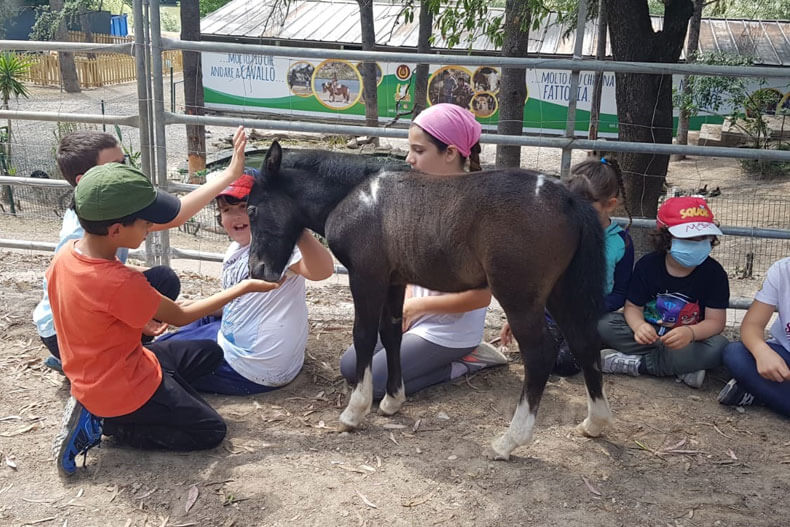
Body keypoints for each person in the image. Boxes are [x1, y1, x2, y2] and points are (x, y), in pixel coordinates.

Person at [49, 162, 281, 477]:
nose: (151, 229)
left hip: (120, 363)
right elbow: (182, 315)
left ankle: (130, 399)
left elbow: (95, 308)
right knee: (211, 431)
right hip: (122, 388)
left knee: (211, 353)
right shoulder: (120, 282)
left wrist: (138, 319)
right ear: (116, 230)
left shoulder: (68, 254)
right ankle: (112, 424)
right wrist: (245, 287)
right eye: (146, 223)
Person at [33, 127, 249, 373]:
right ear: (85, 180)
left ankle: (126, 350)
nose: (126, 171)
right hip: (65, 333)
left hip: (87, 313)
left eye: (124, 162)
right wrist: (230, 174)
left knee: (162, 279)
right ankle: (104, 363)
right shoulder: (82, 230)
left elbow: (100, 273)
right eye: (115, 165)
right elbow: (74, 291)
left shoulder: (105, 214)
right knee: (197, 351)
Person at [339, 103, 507, 399]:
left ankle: (467, 361)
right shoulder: (415, 199)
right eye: (410, 150)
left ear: (451, 153)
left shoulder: (475, 213)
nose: (409, 159)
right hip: (412, 316)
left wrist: (417, 308)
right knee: (350, 367)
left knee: (378, 385)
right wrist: (398, 310)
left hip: (448, 333)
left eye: (419, 150)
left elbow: (482, 295)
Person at [156, 169, 335, 395]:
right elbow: (233, 303)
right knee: (194, 321)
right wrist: (188, 308)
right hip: (241, 344)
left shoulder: (277, 247)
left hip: (251, 369)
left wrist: (296, 227)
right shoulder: (237, 249)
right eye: (227, 210)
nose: (237, 216)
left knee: (157, 360)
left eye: (245, 208)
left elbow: (322, 271)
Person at [499, 157, 635, 376]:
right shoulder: (557, 235)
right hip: (553, 314)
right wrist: (520, 317)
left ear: (610, 204)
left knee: (564, 365)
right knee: (536, 358)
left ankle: (598, 348)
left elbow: (620, 292)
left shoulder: (622, 243)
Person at [597, 196, 730, 388]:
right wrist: (639, 326)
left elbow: (716, 322)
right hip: (649, 336)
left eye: (703, 238)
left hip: (688, 341)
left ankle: (638, 364)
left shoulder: (714, 273)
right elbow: (633, 307)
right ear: (665, 239)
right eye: (688, 238)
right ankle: (682, 368)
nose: (697, 243)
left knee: (719, 347)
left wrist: (690, 332)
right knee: (603, 323)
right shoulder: (647, 265)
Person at [718, 257, 790, 416]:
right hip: (785, 354)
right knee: (736, 353)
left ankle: (758, 392)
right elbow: (752, 326)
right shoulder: (782, 270)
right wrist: (762, 351)